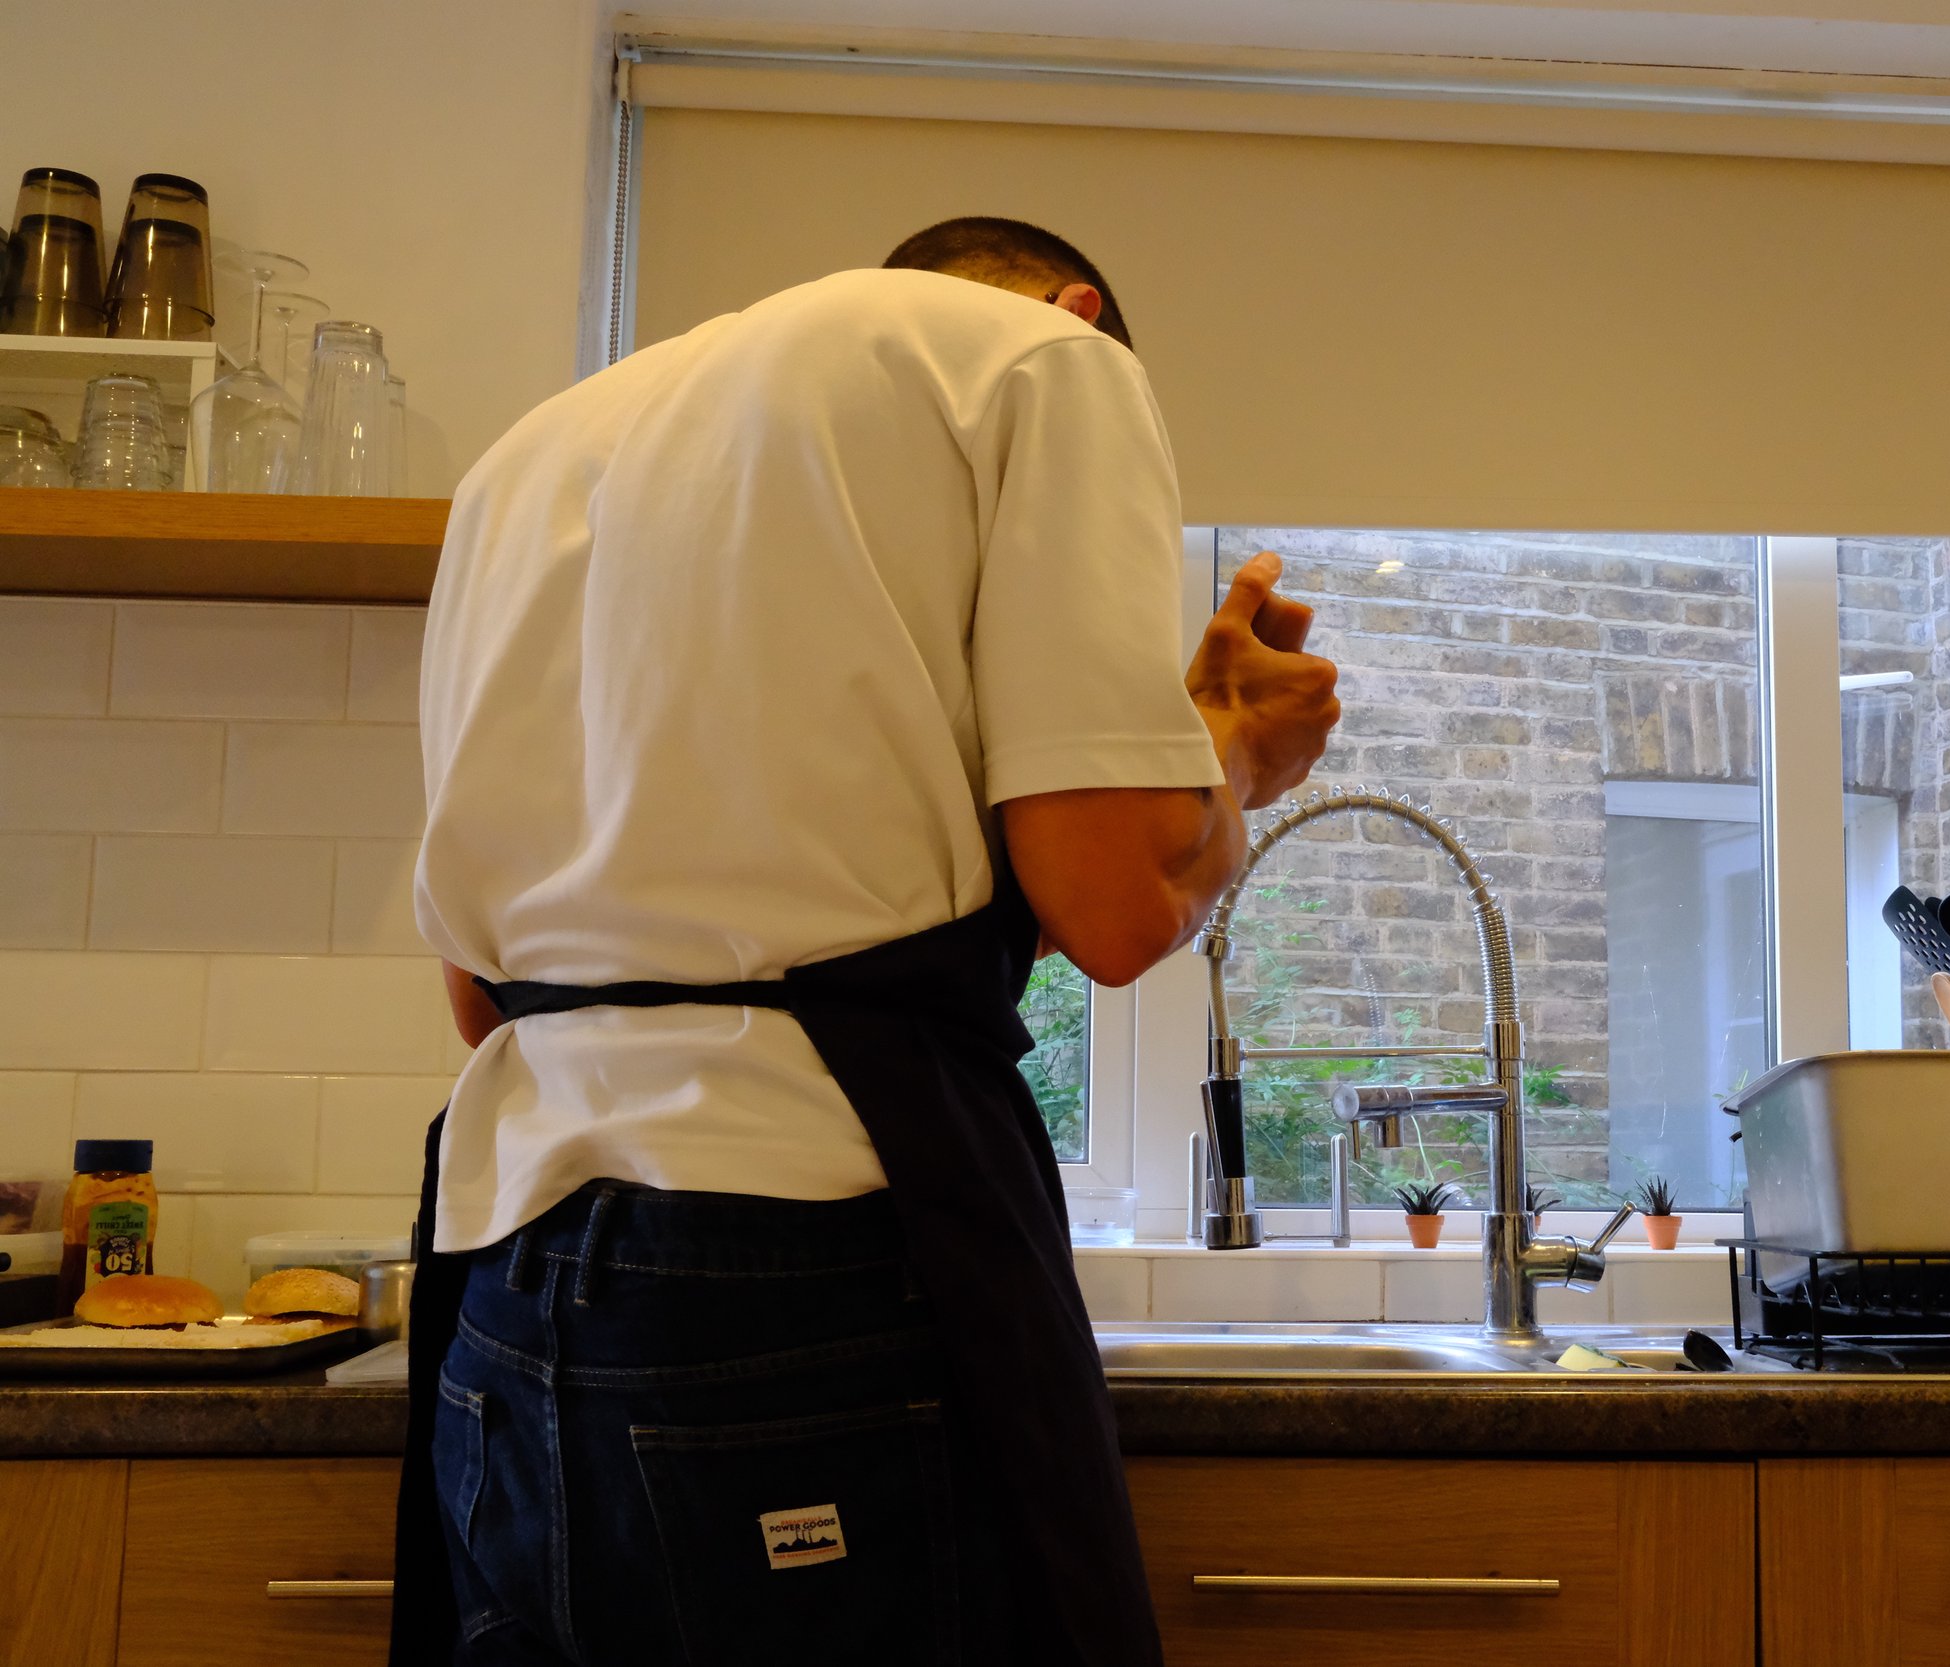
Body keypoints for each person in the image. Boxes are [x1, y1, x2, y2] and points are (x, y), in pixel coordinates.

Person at [392, 215, 1340, 1666]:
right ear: (1081, 313)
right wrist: (1232, 761)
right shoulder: (1042, 361)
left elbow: (481, 999)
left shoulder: (530, 453)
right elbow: (1111, 908)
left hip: (509, 1282)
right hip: (802, 1270)